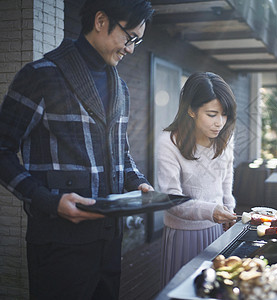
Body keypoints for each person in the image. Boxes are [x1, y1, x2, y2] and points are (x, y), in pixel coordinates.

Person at [0, 0, 154, 299]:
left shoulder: (120, 87)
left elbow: (120, 153)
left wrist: (138, 183)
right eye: (129, 37)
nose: (131, 49)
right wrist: (47, 199)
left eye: (138, 41)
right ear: (100, 20)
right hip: (58, 245)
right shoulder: (41, 75)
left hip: (110, 241)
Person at [157, 72, 238, 287]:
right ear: (191, 110)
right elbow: (171, 199)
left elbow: (225, 181)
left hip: (218, 229)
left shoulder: (226, 138)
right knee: (184, 289)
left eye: (224, 114)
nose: (219, 123)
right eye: (212, 114)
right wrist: (212, 210)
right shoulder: (168, 142)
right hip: (183, 234)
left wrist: (229, 210)